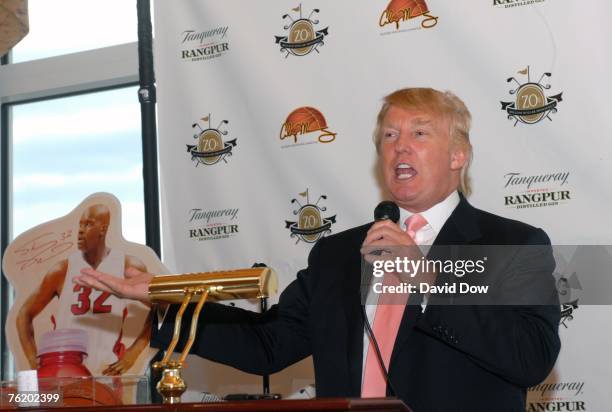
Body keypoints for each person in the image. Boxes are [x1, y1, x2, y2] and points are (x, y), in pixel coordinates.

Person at [76, 88, 560, 411]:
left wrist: (429, 281)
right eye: (389, 136)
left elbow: (530, 358)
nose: (399, 147)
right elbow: (270, 345)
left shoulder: (512, 244)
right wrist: (165, 303)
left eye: (419, 133)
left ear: (459, 155)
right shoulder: (338, 254)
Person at [16, 204, 152, 376]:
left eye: (88, 224)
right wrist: (33, 361)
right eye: (80, 225)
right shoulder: (62, 269)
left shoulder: (128, 265)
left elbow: (160, 308)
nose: (80, 231)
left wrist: (133, 353)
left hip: (106, 371)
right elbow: (24, 315)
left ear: (103, 229)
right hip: (66, 372)